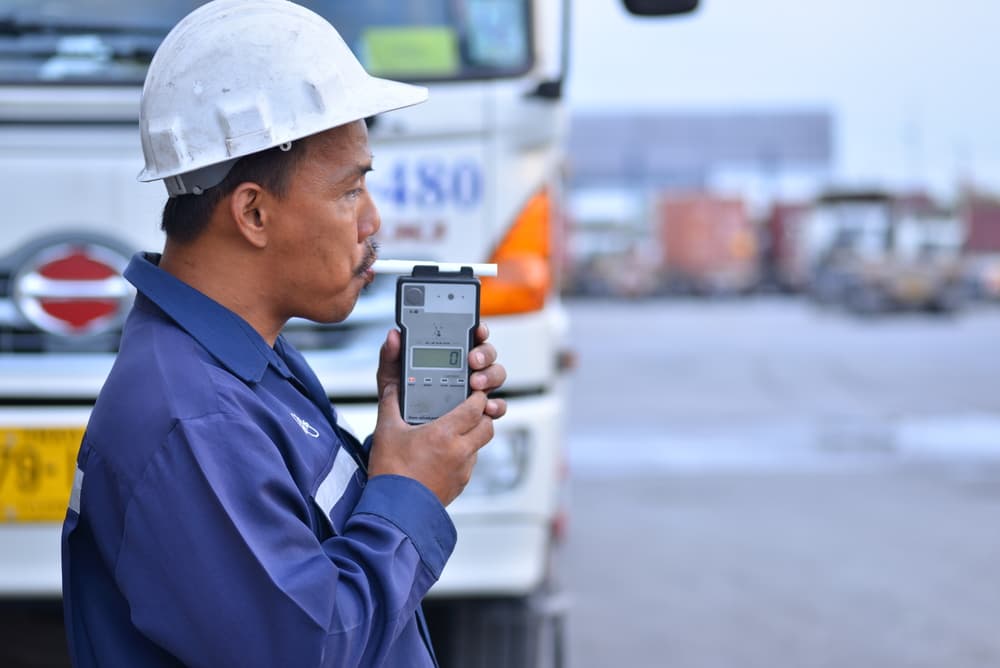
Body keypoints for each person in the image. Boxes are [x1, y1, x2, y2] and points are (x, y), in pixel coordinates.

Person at [60, 2, 506, 666]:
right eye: (350, 191)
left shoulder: (246, 367)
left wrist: (398, 443)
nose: (372, 220)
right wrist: (410, 489)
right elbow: (308, 647)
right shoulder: (193, 420)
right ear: (254, 211)